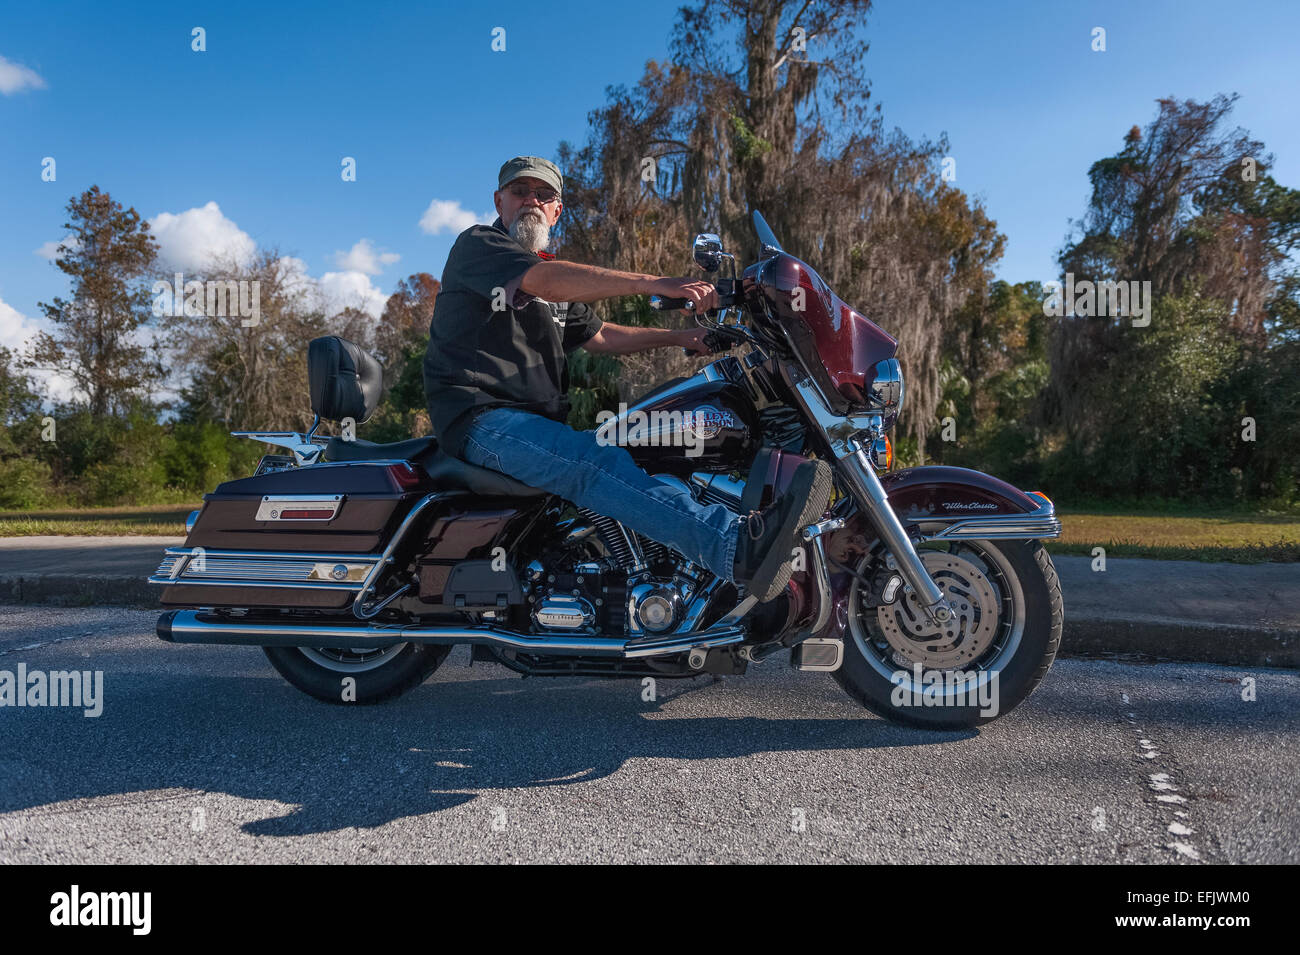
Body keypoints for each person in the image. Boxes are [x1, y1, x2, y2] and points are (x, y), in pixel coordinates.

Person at [423, 155, 830, 602]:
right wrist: (656, 283)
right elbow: (547, 282)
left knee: (635, 445)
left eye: (545, 195)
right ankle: (735, 549)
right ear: (499, 200)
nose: (532, 202)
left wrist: (682, 338)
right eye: (520, 192)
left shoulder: (549, 273)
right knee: (592, 463)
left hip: (534, 425)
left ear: (557, 210)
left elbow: (601, 336)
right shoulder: (482, 246)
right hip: (482, 419)